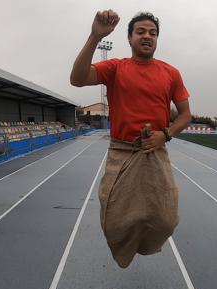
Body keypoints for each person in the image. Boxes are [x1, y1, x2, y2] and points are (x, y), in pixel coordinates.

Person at [70, 10, 191, 268]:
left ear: (157, 39)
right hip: (121, 152)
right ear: (129, 37)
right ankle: (125, 248)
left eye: (153, 33)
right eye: (141, 31)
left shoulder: (171, 73)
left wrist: (166, 135)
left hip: (155, 151)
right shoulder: (116, 68)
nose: (147, 36)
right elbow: (77, 79)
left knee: (166, 220)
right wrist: (95, 36)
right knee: (114, 221)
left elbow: (185, 116)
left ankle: (146, 246)